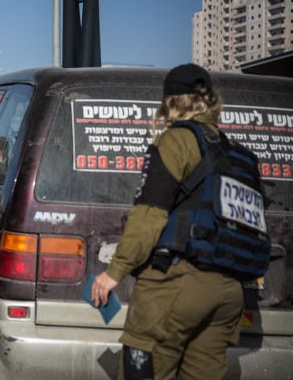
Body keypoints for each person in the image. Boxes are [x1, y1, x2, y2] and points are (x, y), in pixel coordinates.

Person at [91, 64, 261, 379]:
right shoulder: (239, 156)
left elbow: (149, 216)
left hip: (175, 288)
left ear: (169, 101)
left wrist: (114, 273)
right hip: (227, 294)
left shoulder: (176, 141)